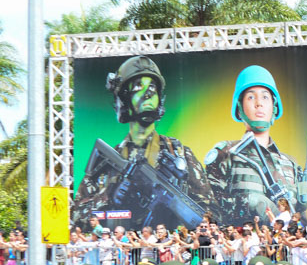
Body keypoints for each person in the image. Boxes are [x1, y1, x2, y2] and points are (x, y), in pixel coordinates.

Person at [73, 55, 216, 229]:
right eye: (138, 87)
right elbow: (75, 217)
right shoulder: (109, 161)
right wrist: (109, 197)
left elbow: (211, 213)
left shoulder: (178, 153)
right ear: (123, 100)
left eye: (153, 87)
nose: (148, 93)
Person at [205, 65, 307, 224]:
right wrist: (251, 203)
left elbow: (301, 219)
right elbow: (210, 211)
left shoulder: (291, 164)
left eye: (265, 97)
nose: (259, 103)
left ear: (274, 108)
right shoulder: (226, 154)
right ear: (239, 109)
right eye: (251, 97)